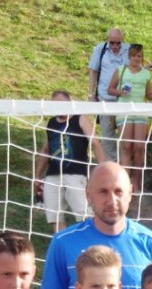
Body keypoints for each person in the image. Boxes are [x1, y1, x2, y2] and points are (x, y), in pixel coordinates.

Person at [41, 162, 152, 289]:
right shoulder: (63, 243)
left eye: (118, 191)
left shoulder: (151, 244)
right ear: (88, 195)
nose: (112, 201)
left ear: (130, 193)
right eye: (103, 192)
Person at [35, 90, 105, 233]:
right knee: (54, 217)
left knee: (84, 215)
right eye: (55, 104)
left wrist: (104, 170)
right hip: (53, 175)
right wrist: (37, 175)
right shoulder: (51, 123)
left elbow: (96, 144)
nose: (59, 107)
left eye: (62, 103)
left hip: (76, 174)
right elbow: (46, 150)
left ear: (70, 102)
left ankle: (91, 242)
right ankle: (63, 244)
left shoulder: (80, 119)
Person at [107, 44, 152, 191]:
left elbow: (148, 95)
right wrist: (121, 92)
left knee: (139, 147)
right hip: (124, 110)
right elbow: (110, 89)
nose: (136, 58)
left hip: (140, 112)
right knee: (126, 146)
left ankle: (136, 179)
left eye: (139, 56)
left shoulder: (146, 74)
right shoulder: (121, 70)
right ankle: (125, 180)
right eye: (134, 55)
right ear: (129, 56)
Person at [88, 28, 132, 163]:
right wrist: (91, 94)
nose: (115, 46)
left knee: (125, 137)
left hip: (124, 100)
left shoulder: (129, 50)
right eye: (112, 43)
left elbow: (136, 70)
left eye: (118, 43)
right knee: (107, 136)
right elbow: (93, 71)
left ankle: (125, 165)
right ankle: (111, 165)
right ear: (107, 40)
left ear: (122, 41)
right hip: (105, 99)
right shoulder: (100, 50)